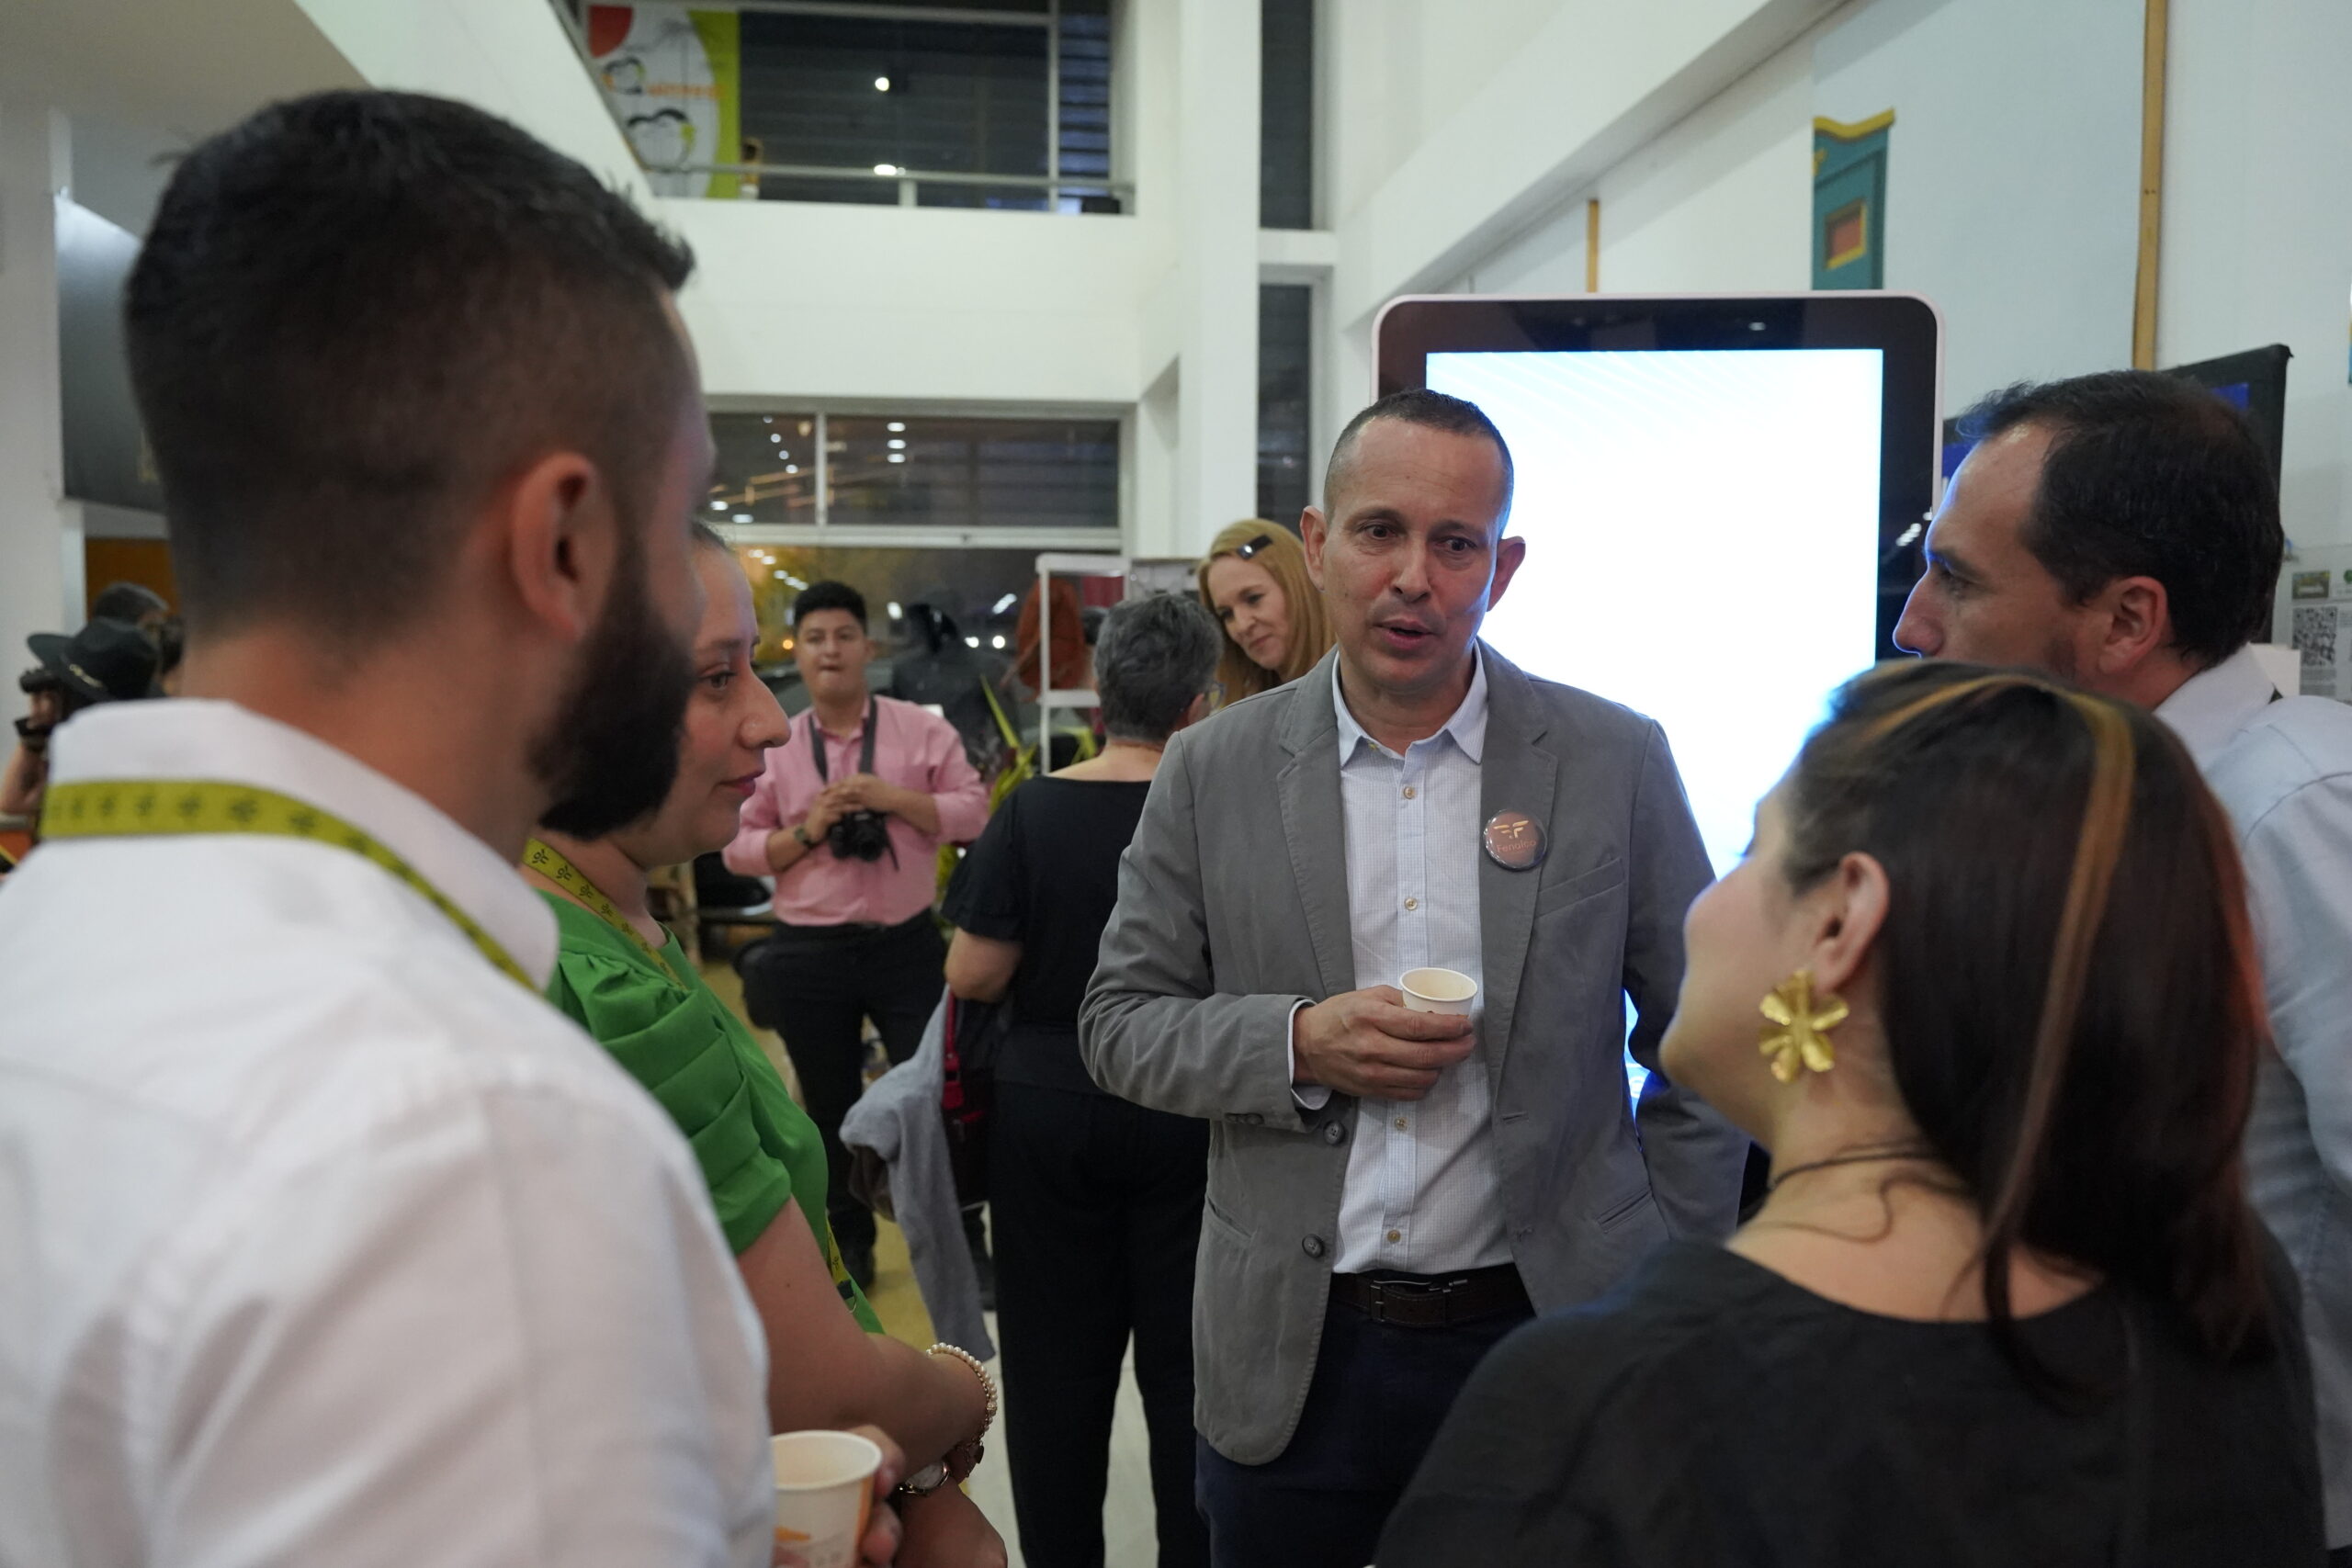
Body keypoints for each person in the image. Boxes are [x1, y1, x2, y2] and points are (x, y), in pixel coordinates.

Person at [0, 90, 801, 1564]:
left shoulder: (48, 939)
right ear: (563, 544)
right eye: (682, 514)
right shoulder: (465, 1143)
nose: (703, 606)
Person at [1381, 660, 2325, 1564]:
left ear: (1839, 924)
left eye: (1752, 850)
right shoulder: (2224, 1295)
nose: (1703, 903)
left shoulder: (1600, 1406)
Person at [1081, 389, 1747, 1568]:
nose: (1413, 578)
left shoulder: (1611, 759)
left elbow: (1710, 1031)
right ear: (1317, 542)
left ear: (1503, 567)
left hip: (1549, 1331)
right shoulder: (1212, 768)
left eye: (1456, 544)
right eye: (1379, 531)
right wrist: (1296, 1042)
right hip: (1296, 1346)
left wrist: (1666, 1251)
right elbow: (1119, 1023)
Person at [1893, 369, 2352, 1562]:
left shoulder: (2299, 808)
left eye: (1959, 580)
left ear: (2125, 622)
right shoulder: (2111, 802)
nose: (1914, 627)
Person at [528, 525, 1003, 1566]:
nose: (765, 719)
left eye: (757, 663)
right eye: (715, 677)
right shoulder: (600, 983)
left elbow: (971, 809)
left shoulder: (612, 928)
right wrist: (962, 1388)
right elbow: (817, 1385)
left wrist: (896, 803)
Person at [943, 593, 1222, 1568]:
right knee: (1191, 1374)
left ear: (1102, 697)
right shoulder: (1218, 812)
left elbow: (973, 972)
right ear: (1198, 704)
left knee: (1056, 1375)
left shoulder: (1033, 809)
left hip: (1049, 1107)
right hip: (1191, 1102)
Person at [729, 580, 989, 1289]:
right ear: (798, 652)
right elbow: (737, 849)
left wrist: (892, 799)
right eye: (815, 638)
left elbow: (974, 811)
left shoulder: (920, 729)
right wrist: (808, 829)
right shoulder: (777, 742)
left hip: (905, 944)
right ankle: (851, 1249)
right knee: (827, 1109)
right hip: (807, 951)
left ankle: (965, 1244)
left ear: (867, 647)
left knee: (938, 1100)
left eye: (844, 635)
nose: (830, 651)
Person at [3, 618, 160, 823]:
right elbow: (12, 802)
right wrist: (36, 730)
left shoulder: (101, 758)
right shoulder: (102, 746)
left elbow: (17, 802)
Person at [1197, 519, 1334, 704]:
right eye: (1227, 614)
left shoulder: (1364, 688)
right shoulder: (1245, 712)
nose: (1242, 625)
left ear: (1296, 585)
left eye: (1253, 599)